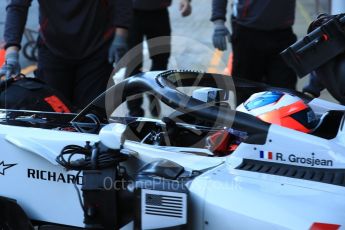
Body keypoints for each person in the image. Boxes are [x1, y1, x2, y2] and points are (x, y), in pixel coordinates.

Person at [0, 0, 132, 110]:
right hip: (52, 50)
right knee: (52, 113)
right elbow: (17, 6)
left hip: (96, 49)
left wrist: (121, 35)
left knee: (91, 116)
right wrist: (12, 54)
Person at [211, 0, 298, 95]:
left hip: (282, 36)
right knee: (245, 92)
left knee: (285, 93)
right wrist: (218, 22)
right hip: (247, 34)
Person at [125, 0, 192, 117]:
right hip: (130, 13)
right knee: (133, 63)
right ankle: (134, 110)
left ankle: (153, 94)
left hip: (159, 12)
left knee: (161, 59)